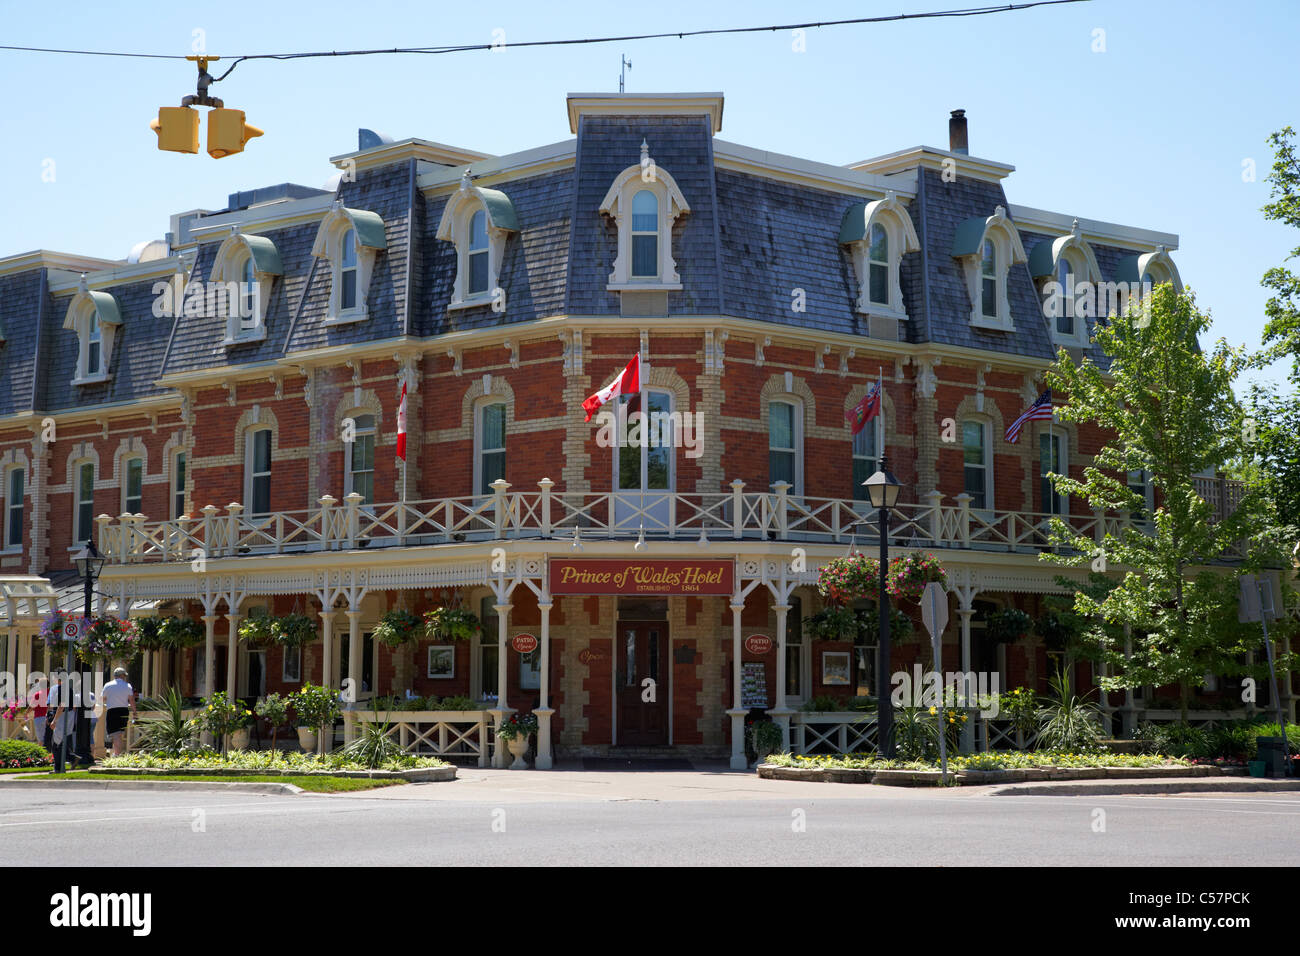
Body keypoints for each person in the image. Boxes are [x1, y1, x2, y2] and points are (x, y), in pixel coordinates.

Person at [101, 667, 137, 757]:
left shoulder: (108, 685)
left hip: (112, 711)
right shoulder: (127, 686)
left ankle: (117, 755)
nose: (125, 677)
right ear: (122, 675)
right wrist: (135, 711)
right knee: (119, 734)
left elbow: (103, 698)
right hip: (123, 711)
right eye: (124, 675)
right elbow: (131, 700)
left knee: (115, 735)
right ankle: (116, 754)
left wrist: (110, 700)